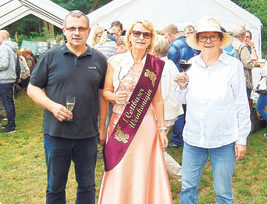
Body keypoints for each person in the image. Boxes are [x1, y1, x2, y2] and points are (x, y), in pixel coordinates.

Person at [27, 10, 108, 203]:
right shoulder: (50, 56)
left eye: (81, 28)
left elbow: (103, 96)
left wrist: (102, 127)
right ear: (64, 30)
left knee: (87, 185)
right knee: (55, 187)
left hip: (87, 135)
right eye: (72, 28)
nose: (76, 33)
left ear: (89, 31)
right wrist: (52, 106)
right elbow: (32, 87)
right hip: (56, 135)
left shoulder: (99, 59)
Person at [175, 17, 251, 203]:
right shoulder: (190, 64)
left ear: (220, 39)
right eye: (203, 37)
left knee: (223, 192)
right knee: (188, 188)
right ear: (198, 41)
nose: (208, 41)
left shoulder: (233, 66)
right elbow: (182, 100)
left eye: (212, 37)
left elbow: (242, 103)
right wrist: (182, 87)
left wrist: (241, 139)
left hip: (223, 139)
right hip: (193, 139)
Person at [98, 20, 172, 204]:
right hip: (119, 124)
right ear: (129, 36)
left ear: (151, 39)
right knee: (119, 166)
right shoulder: (116, 61)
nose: (141, 37)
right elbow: (105, 92)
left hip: (146, 126)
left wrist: (162, 129)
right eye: (137, 33)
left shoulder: (155, 65)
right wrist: (114, 97)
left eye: (146, 34)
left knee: (143, 167)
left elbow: (158, 100)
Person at [153, 34, 183, 181]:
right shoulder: (170, 63)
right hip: (171, 111)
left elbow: (160, 95)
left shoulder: (159, 66)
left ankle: (182, 176)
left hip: (164, 114)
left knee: (156, 150)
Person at [163, 24, 194, 148]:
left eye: (166, 36)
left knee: (178, 109)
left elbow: (169, 63)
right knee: (185, 109)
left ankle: (177, 139)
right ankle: (183, 135)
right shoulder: (188, 42)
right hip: (188, 77)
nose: (166, 39)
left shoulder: (174, 46)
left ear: (170, 34)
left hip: (177, 79)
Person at [0, 30, 18, 133]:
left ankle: (11, 127)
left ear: (2, 37)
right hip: (8, 78)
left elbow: (3, 64)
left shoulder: (3, 47)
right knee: (9, 103)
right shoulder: (11, 48)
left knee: (7, 103)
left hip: (4, 80)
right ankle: (11, 124)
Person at [232, 26, 257, 100]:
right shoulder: (241, 46)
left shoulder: (229, 45)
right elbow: (247, 63)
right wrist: (253, 64)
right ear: (242, 36)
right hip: (243, 78)